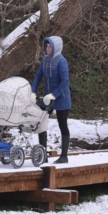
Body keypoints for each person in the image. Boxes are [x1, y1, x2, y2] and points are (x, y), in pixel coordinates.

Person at [31, 35, 71, 163]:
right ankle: (43, 155)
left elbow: (65, 81)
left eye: (50, 47)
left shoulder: (61, 61)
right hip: (46, 98)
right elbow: (38, 77)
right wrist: (33, 92)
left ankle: (64, 156)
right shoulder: (45, 60)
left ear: (56, 47)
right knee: (41, 123)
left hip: (61, 98)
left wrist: (54, 95)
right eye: (47, 46)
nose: (48, 49)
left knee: (62, 125)